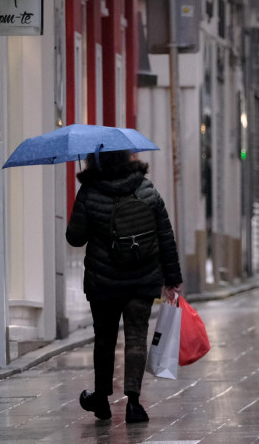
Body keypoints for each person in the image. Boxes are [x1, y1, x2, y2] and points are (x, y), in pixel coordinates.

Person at [66, 149, 183, 423]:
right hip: (142, 279)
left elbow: (75, 238)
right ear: (126, 158)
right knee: (136, 337)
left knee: (104, 340)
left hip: (103, 281)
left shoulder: (89, 192)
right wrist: (172, 278)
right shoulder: (146, 189)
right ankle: (133, 403)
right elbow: (165, 236)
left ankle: (102, 400)